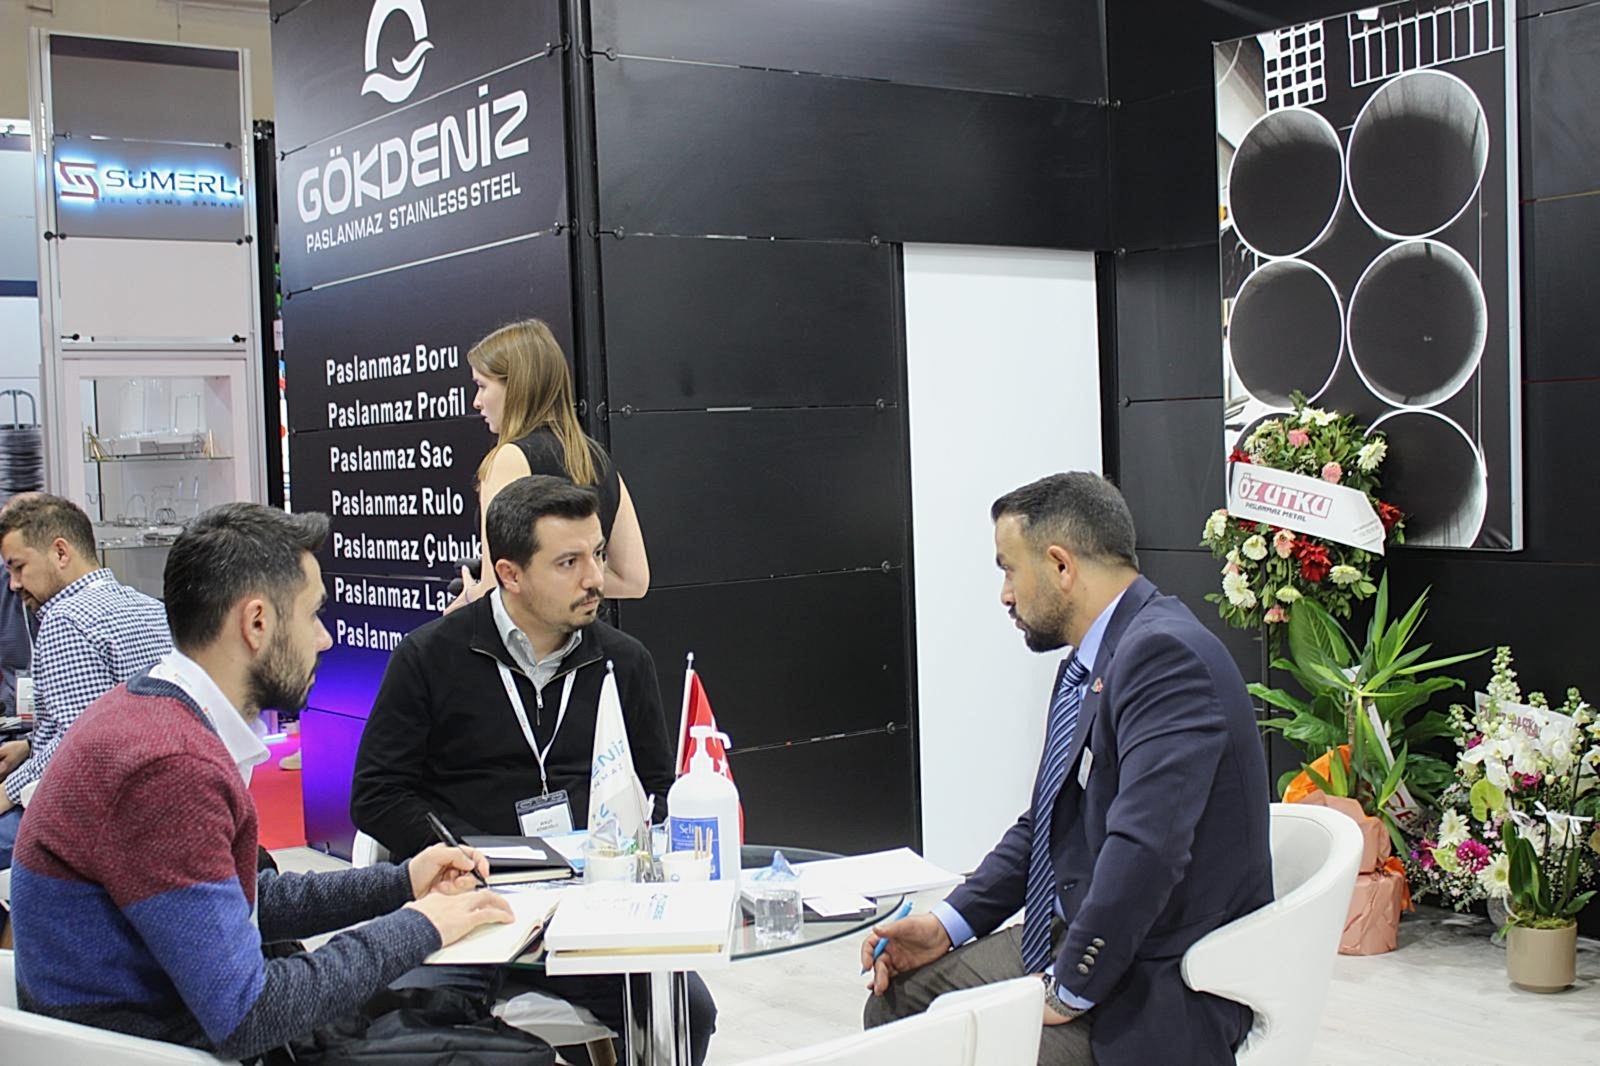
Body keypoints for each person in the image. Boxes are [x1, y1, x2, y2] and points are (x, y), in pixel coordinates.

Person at [7, 503, 515, 1060]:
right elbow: (248, 1013)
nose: (324, 638)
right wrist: (421, 925)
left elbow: (240, 901)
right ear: (256, 624)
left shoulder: (155, 716)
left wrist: (401, 884)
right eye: (312, 615)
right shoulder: (169, 766)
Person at [861, 473, 1271, 1066]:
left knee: (954, 1045)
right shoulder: (1094, 661)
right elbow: (1048, 823)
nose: (1005, 595)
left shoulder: (1165, 657)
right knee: (899, 1005)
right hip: (1073, 936)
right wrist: (948, 924)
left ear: (1060, 565)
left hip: (1153, 978)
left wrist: (1068, 987)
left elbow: (1146, 851)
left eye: (1009, 569)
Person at [351, 474, 715, 1065]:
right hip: (472, 904)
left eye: (597, 554)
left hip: (589, 906)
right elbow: (377, 795)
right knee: (417, 1021)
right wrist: (468, 855)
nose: (595, 578)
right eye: (569, 562)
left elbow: (658, 789)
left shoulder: (623, 662)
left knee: (684, 1010)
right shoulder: (430, 656)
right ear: (510, 574)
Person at [0, 493, 172, 868]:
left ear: (61, 552)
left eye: (19, 567)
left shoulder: (66, 620)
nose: (13, 584)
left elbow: (79, 746)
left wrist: (7, 792)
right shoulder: (148, 607)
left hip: (91, 816)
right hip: (153, 802)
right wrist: (29, 747)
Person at [450, 318, 649, 609]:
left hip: (528, 635)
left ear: (516, 387)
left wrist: (469, 595)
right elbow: (633, 580)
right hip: (587, 632)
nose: (476, 402)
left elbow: (497, 588)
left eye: (482, 386)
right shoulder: (595, 457)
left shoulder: (508, 458)